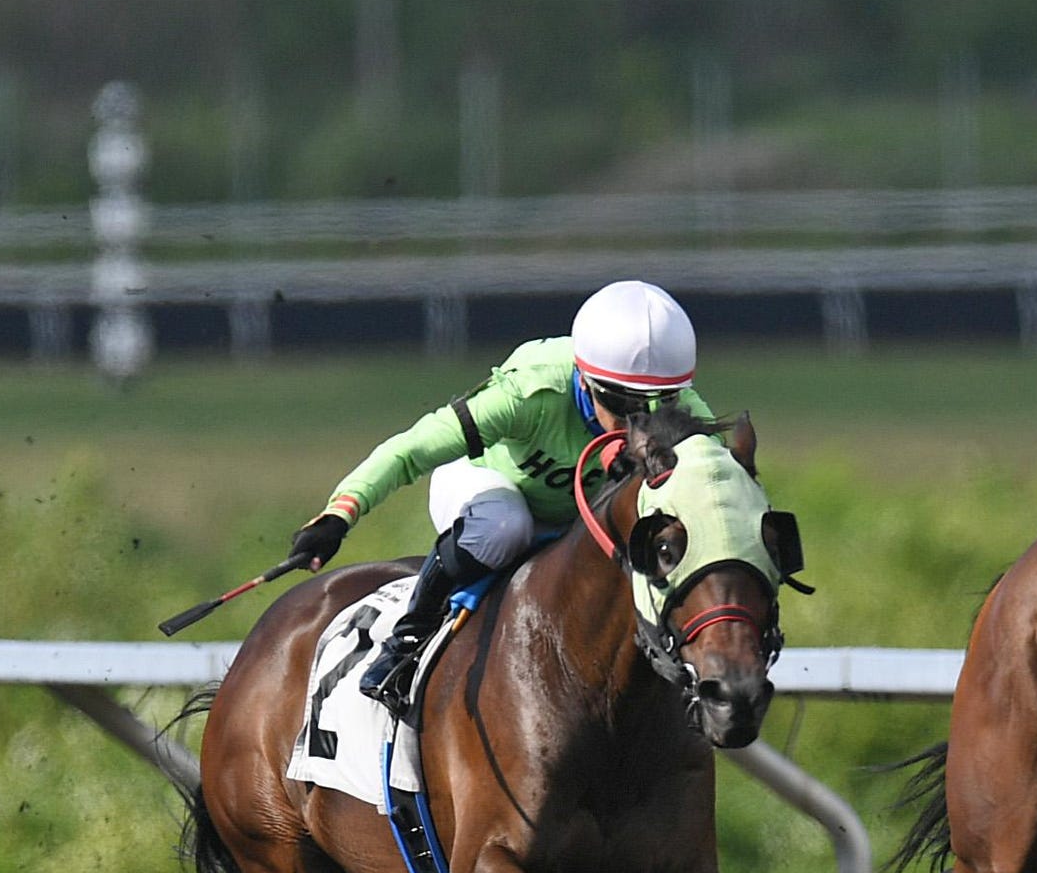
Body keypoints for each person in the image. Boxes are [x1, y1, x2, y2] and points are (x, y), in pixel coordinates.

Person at [285, 279, 715, 717]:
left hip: (577, 526)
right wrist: (341, 512)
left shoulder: (686, 413)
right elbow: (410, 450)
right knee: (506, 526)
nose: (635, 423)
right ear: (583, 380)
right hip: (483, 488)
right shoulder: (528, 394)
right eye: (619, 402)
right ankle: (406, 642)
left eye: (656, 405)